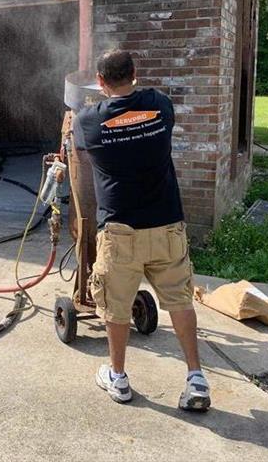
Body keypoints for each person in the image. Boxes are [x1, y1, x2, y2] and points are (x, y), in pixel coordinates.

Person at [73, 49, 210, 411]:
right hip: (167, 226)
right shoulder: (160, 105)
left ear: (100, 82)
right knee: (180, 300)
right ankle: (196, 378)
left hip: (120, 232)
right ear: (135, 73)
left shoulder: (88, 121)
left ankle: (118, 378)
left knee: (115, 307)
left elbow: (78, 146)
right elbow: (143, 107)